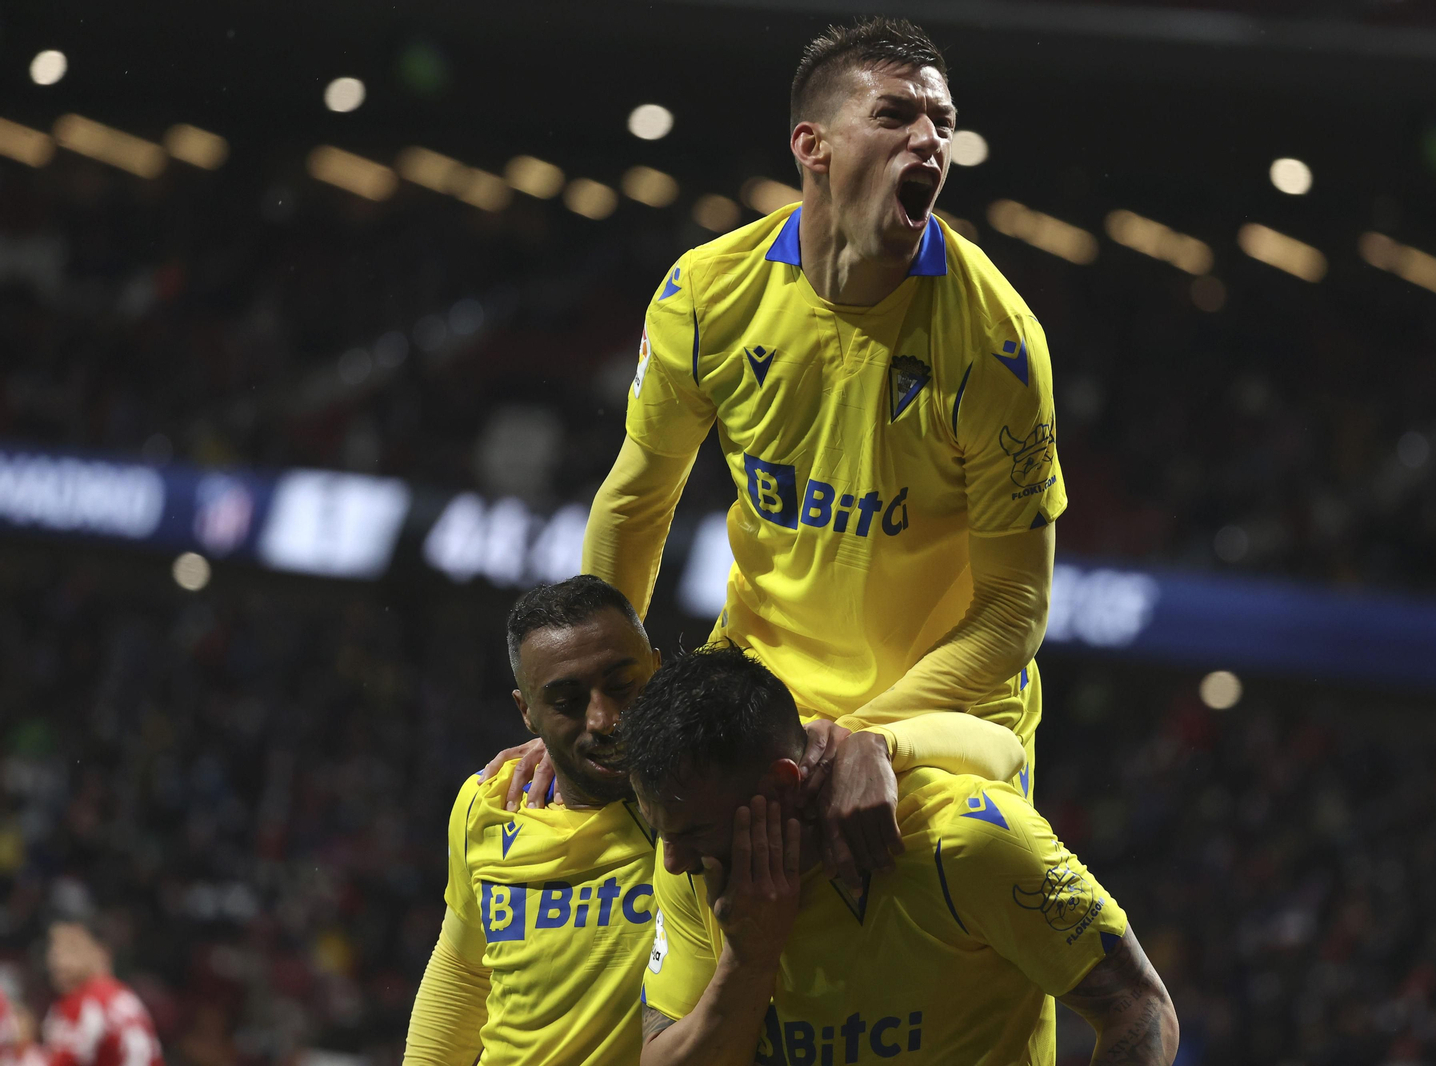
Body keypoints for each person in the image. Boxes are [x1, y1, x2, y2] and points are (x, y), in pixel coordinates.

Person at [580, 17, 1064, 870]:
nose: (930, 139)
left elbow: (1013, 608)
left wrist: (863, 738)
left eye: (943, 123)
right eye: (895, 115)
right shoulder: (706, 295)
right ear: (813, 144)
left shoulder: (997, 342)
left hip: (935, 717)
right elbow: (636, 502)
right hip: (762, 691)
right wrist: (603, 696)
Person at [405, 576, 1026, 1066]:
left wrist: (878, 744)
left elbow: (1000, 750)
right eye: (566, 703)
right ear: (526, 714)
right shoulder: (489, 803)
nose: (604, 720)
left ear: (657, 666)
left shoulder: (714, 795)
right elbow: (462, 975)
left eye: (622, 685)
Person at [628, 646, 1179, 1066]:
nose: (672, 860)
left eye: (695, 831)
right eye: (663, 834)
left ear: (782, 783)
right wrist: (749, 959)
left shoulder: (968, 841)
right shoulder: (699, 868)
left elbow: (1139, 1006)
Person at [39, 921, 163, 1066]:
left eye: (71, 949)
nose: (57, 960)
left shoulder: (88, 1004)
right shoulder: (123, 996)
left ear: (101, 952)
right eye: (54, 950)